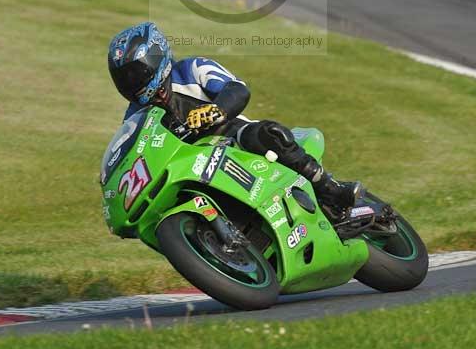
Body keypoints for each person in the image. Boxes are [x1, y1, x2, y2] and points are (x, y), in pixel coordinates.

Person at [108, 22, 361, 217]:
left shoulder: (192, 69)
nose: (133, 82)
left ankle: (330, 188)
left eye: (135, 72)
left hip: (233, 138)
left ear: (155, 56)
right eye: (125, 78)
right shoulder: (136, 116)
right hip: (192, 168)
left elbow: (237, 89)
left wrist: (217, 111)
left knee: (264, 134)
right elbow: (135, 154)